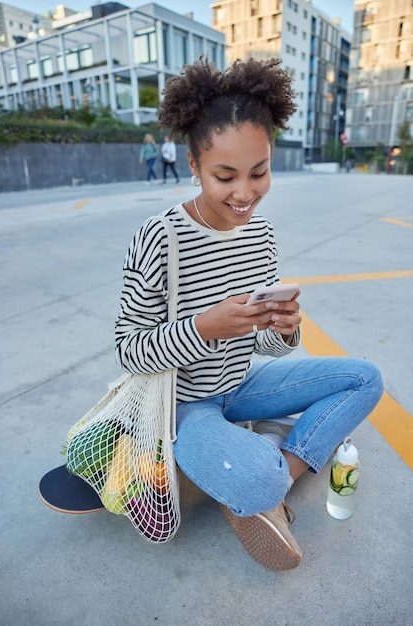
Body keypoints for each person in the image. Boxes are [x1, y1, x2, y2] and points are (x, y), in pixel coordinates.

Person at [115, 57, 384, 571]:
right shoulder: (159, 238)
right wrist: (201, 328)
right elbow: (128, 348)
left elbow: (261, 343)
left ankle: (265, 463)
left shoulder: (261, 235)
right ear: (194, 166)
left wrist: (284, 328)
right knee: (254, 478)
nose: (245, 193)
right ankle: (256, 471)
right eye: (225, 176)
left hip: (242, 384)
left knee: (365, 379)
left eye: (259, 173)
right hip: (183, 406)